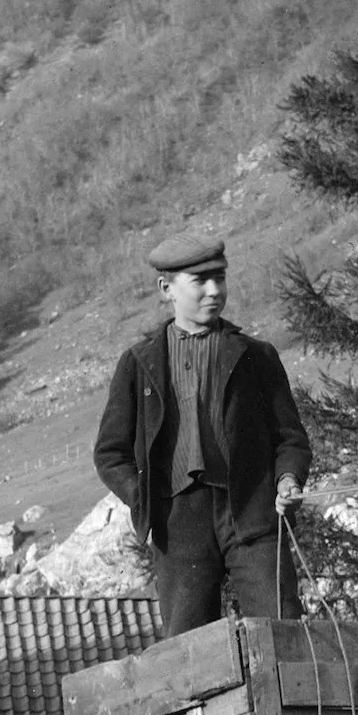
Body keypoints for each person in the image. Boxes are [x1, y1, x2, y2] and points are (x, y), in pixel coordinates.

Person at [92, 233, 313, 636]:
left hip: (253, 512)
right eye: (200, 281)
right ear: (166, 289)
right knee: (189, 648)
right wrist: (145, 499)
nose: (215, 291)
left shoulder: (256, 357)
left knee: (283, 630)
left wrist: (287, 478)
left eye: (221, 279)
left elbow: (290, 438)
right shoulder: (138, 364)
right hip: (179, 524)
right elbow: (110, 453)